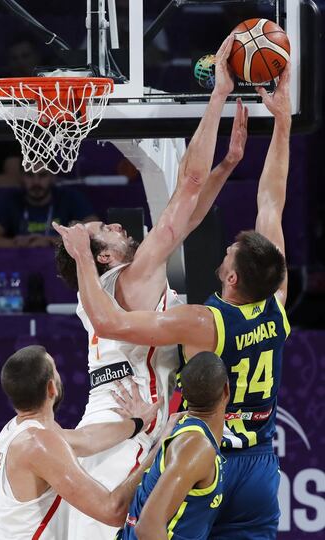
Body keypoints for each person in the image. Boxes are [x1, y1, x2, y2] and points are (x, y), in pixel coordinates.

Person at [54, 63, 292, 539]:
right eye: (109, 229)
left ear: (229, 276)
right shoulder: (275, 303)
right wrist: (231, 99)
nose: (121, 225)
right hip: (141, 432)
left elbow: (186, 216)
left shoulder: (199, 319)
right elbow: (198, 197)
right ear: (103, 256)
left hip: (165, 432)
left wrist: (224, 167)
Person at [0, 345, 166, 540]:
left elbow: (86, 438)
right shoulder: (40, 444)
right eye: (55, 369)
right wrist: (161, 448)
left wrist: (137, 423)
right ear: (51, 387)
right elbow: (112, 511)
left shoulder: (17, 429)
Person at [117, 352, 229, 540]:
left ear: (183, 394)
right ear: (226, 390)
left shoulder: (190, 436)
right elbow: (148, 528)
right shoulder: (196, 446)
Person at [0, 168, 97, 248]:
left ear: (52, 177)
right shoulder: (10, 199)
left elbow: (95, 235)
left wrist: (51, 241)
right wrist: (15, 243)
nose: (36, 182)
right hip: (21, 261)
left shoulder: (69, 197)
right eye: (30, 175)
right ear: (21, 177)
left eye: (42, 175)